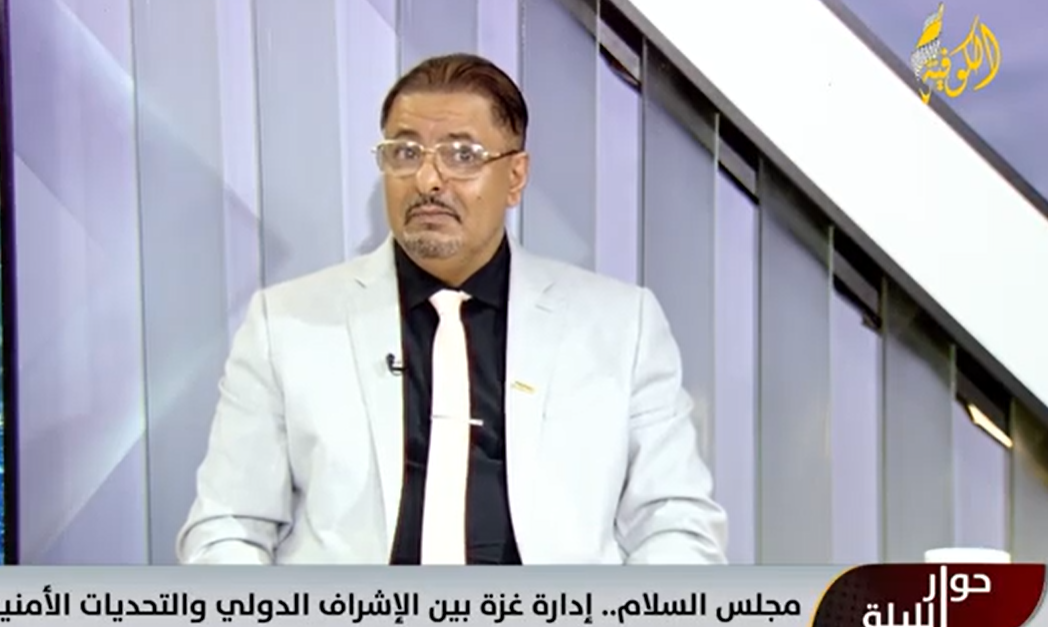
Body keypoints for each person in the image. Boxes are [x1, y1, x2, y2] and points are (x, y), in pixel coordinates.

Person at [177, 53, 727, 565]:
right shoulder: (286, 324)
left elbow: (676, 523)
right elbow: (227, 528)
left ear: (515, 177)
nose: (428, 180)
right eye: (405, 153)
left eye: (463, 156)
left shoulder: (620, 326)